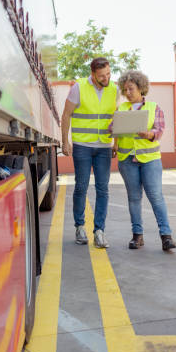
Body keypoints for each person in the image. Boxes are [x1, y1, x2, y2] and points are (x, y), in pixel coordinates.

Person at [113, 70, 176, 251]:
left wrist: (148, 134)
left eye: (131, 89)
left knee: (156, 197)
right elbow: (113, 128)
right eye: (125, 89)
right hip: (127, 159)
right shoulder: (121, 109)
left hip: (150, 160)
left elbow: (159, 130)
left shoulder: (153, 107)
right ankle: (137, 237)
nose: (127, 93)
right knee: (134, 198)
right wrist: (115, 137)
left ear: (141, 88)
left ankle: (166, 236)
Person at [61, 57, 118, 248]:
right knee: (81, 187)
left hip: (103, 147)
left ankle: (99, 231)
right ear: (93, 74)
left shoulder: (114, 89)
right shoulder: (79, 88)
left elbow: (116, 117)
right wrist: (65, 141)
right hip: (83, 146)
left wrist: (116, 142)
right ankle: (79, 227)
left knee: (103, 189)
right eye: (102, 75)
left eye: (108, 73)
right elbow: (66, 114)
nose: (106, 78)